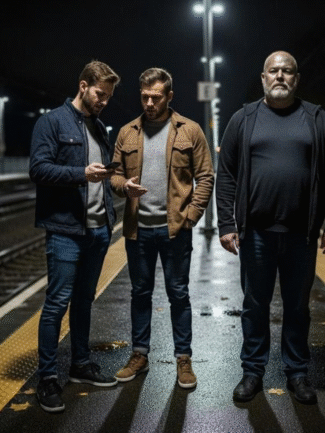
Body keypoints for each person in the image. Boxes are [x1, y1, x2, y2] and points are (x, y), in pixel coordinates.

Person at [216, 51, 325, 404]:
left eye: (287, 71)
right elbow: (225, 173)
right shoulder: (244, 119)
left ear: (296, 78)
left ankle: (297, 373)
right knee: (254, 305)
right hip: (256, 232)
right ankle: (252, 372)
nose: (280, 76)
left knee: (297, 306)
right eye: (273, 71)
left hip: (301, 235)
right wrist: (226, 223)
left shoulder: (317, 119)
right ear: (263, 78)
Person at [110, 67, 214, 389]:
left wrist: (191, 218)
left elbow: (206, 177)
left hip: (174, 231)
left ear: (169, 96)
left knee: (178, 294)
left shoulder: (190, 130)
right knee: (140, 293)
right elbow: (113, 175)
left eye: (156, 97)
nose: (150, 102)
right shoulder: (127, 132)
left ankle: (183, 359)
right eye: (145, 96)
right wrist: (122, 186)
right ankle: (139, 355)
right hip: (138, 231)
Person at [29, 60, 121, 413]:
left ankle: (80, 365)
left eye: (109, 97)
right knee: (56, 305)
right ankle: (48, 378)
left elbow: (103, 175)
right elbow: (38, 168)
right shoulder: (52, 122)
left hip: (99, 229)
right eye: (100, 94)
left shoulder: (99, 128)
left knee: (84, 302)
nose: (104, 101)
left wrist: (120, 184)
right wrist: (80, 173)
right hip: (66, 230)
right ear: (83, 86)